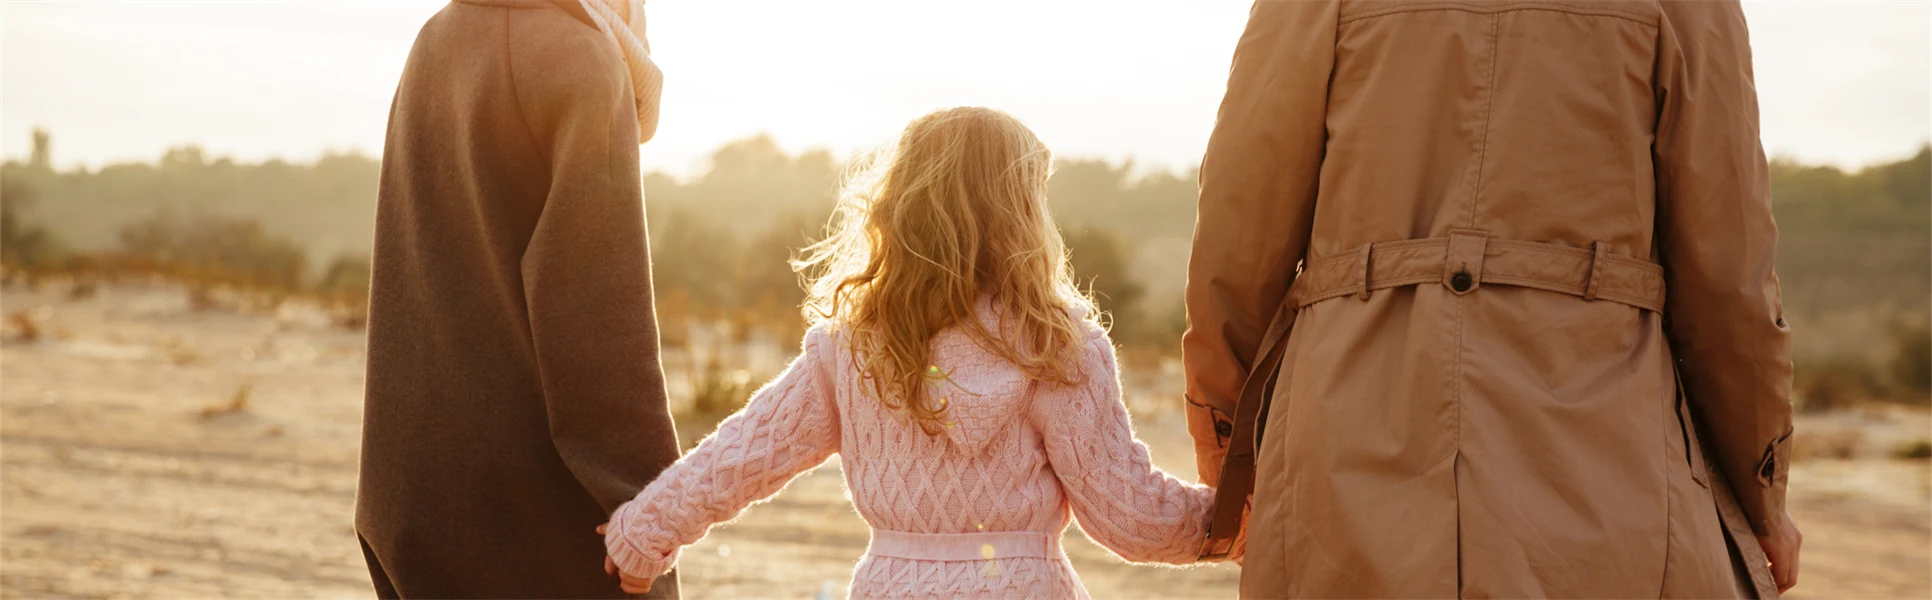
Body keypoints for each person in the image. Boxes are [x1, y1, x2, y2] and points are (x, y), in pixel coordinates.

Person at [1183, 0, 1800, 598]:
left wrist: (1225, 446)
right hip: (1608, 468)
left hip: (1344, 453)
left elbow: (1239, 235)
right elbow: (1729, 276)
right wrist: (1761, 497)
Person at [598, 107, 1230, 598]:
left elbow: (740, 457)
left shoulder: (852, 349)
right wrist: (1235, 520)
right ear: (1022, 217)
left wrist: (642, 532)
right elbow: (1130, 516)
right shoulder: (1056, 348)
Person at [356, 1, 679, 598]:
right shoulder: (581, 60)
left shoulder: (436, 37)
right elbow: (598, 317)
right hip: (534, 516)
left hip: (405, 496)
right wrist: (649, 502)